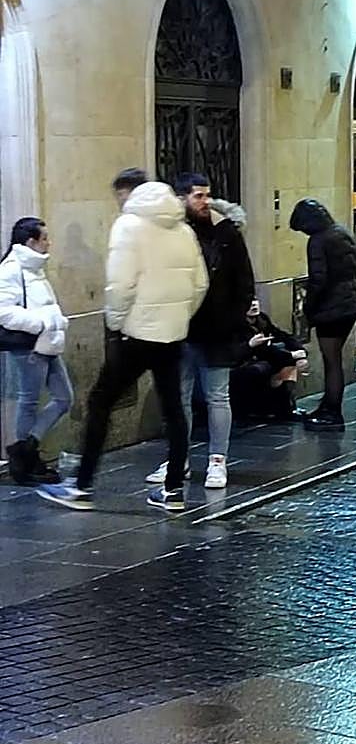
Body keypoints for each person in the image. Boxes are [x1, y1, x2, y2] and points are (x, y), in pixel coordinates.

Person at [44, 182, 208, 512]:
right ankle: (174, 490)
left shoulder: (129, 226)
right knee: (174, 409)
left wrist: (118, 323)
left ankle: (82, 485)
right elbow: (200, 283)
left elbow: (120, 285)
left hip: (138, 334)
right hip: (172, 334)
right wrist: (178, 317)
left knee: (100, 401)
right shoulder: (183, 231)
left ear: (130, 196)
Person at [143, 175, 254, 492]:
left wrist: (232, 319)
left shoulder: (227, 232)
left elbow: (243, 279)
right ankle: (178, 458)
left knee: (217, 396)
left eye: (207, 195)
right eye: (198, 196)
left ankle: (218, 460)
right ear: (181, 199)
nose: (205, 201)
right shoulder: (172, 232)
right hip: (179, 328)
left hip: (216, 328)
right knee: (178, 397)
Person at [0, 218, 72, 486]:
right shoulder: (11, 269)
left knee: (64, 398)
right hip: (29, 344)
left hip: (47, 342)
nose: (48, 242)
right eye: (44, 238)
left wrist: (51, 323)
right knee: (28, 401)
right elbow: (4, 311)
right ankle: (25, 462)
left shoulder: (34, 266)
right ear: (30, 242)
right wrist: (41, 323)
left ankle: (25, 449)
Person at [289, 198, 356, 431]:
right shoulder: (341, 232)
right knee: (335, 360)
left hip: (331, 309)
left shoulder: (319, 241)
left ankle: (332, 411)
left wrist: (309, 309)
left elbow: (318, 279)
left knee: (331, 362)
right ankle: (328, 407)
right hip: (349, 304)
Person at [230, 300, 308, 422]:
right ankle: (264, 410)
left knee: (288, 364)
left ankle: (287, 407)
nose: (254, 304)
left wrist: (299, 350)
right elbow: (261, 351)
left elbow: (282, 336)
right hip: (242, 362)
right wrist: (292, 355)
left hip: (264, 358)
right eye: (249, 302)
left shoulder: (262, 319)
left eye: (255, 301)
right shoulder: (236, 325)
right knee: (262, 369)